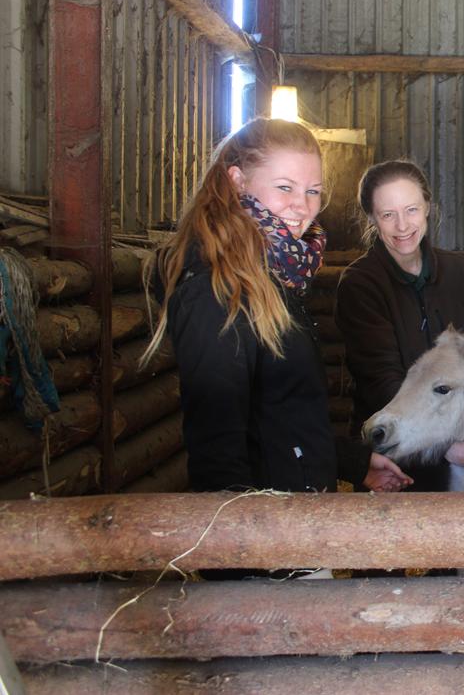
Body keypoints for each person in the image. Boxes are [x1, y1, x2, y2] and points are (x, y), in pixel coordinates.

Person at [143, 117, 408, 495]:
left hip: (293, 516)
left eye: (313, 191)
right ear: (237, 181)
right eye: (285, 187)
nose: (302, 207)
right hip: (267, 531)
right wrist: (250, 545)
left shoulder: (276, 276)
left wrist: (352, 462)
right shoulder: (218, 288)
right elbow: (217, 447)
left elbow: (281, 417)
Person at [335, 159, 464, 491]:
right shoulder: (360, 284)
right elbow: (381, 384)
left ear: (428, 207)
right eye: (388, 215)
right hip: (397, 463)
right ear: (372, 218)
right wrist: (450, 451)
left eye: (412, 210)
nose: (402, 226)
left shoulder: (459, 273)